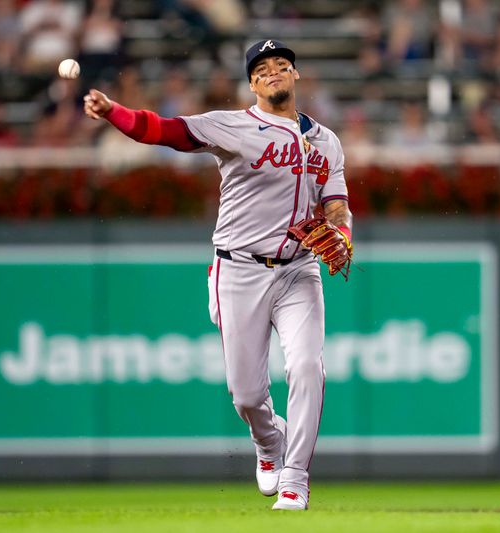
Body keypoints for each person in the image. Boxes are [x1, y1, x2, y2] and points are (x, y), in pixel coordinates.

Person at [82, 39, 353, 511]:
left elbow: (337, 206)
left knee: (307, 366)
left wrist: (343, 233)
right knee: (247, 396)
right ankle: (270, 443)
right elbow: (163, 130)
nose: (273, 72)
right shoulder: (231, 125)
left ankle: (295, 477)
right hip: (239, 270)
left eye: (282, 65)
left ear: (296, 75)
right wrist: (112, 112)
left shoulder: (326, 140)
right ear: (251, 82)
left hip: (298, 271)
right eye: (262, 68)